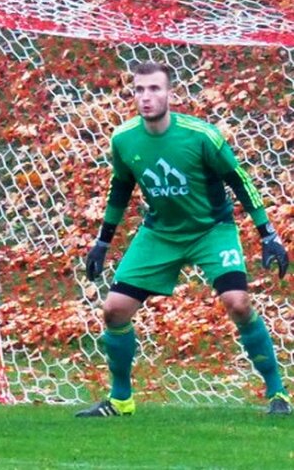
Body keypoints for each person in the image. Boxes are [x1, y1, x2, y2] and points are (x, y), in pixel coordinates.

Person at [77, 61, 291, 417]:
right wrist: (103, 242)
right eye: (139, 90)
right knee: (114, 310)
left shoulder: (201, 135)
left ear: (170, 94)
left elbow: (239, 180)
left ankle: (278, 393)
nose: (146, 97)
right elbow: (120, 189)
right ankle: (120, 400)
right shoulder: (124, 139)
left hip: (211, 230)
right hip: (159, 234)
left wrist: (267, 233)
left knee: (238, 303)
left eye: (154, 89)